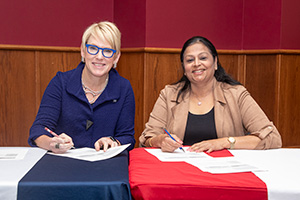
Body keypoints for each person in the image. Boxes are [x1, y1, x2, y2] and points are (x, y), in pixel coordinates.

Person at [139, 36, 282, 153]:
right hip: (180, 171)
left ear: (215, 63)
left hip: (227, 172)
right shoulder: (169, 94)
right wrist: (160, 141)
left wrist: (224, 142)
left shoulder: (236, 94)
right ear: (184, 68)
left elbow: (272, 138)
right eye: (189, 60)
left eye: (203, 58)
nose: (196, 64)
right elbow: (146, 138)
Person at [29, 21, 135, 153]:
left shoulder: (124, 88)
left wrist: (113, 141)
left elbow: (128, 137)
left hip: (104, 166)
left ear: (116, 58)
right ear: (83, 51)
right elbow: (38, 130)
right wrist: (52, 144)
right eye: (93, 49)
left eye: (107, 51)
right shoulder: (60, 82)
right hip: (63, 164)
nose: (99, 56)